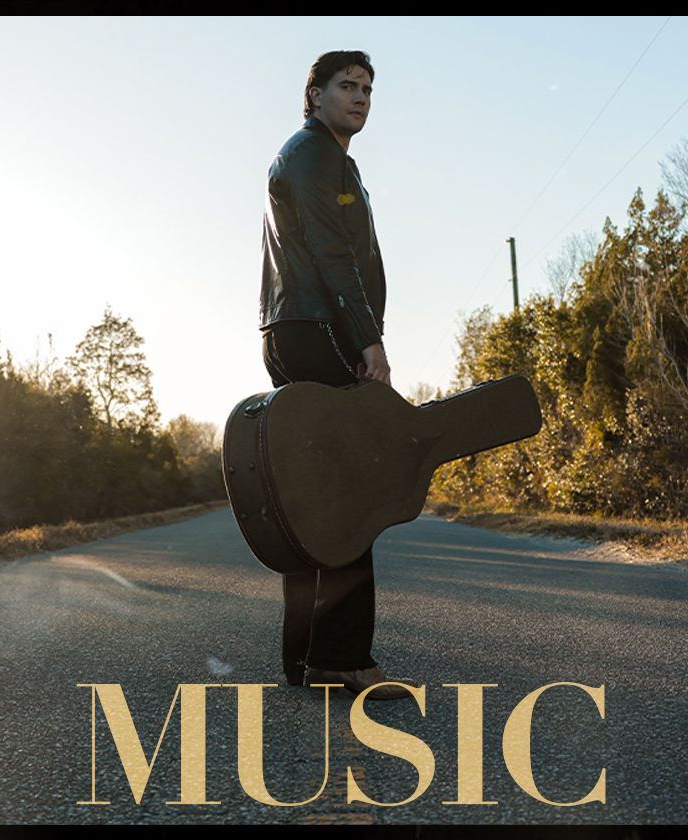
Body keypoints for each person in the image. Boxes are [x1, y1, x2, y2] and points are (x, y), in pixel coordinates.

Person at [258, 50, 412, 701]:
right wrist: (368, 339)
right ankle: (346, 657)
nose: (360, 97)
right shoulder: (316, 155)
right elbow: (331, 255)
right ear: (314, 93)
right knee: (352, 492)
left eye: (368, 89)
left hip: (293, 330)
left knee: (314, 497)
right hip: (319, 329)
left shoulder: (322, 157)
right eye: (347, 86)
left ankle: (310, 659)